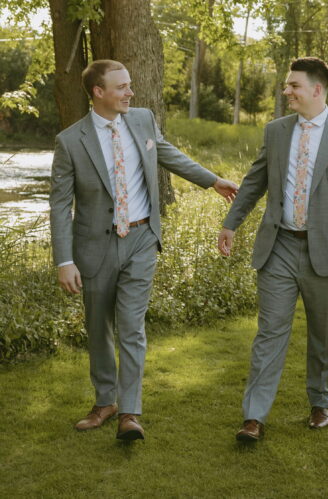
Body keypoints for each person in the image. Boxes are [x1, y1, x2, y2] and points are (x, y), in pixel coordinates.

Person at [50, 59, 237, 441]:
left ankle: (130, 412)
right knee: (98, 326)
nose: (130, 92)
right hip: (93, 246)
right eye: (121, 87)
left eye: (129, 85)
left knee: (131, 326)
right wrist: (64, 260)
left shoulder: (142, 119)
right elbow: (58, 204)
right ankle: (105, 402)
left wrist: (212, 180)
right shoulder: (70, 141)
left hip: (141, 239)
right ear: (98, 92)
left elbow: (167, 153)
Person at [218, 57, 328, 442]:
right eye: (287, 85)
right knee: (270, 332)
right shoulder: (276, 131)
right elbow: (254, 182)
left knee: (325, 332)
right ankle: (254, 416)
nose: (287, 92)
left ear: (317, 90)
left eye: (293, 86)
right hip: (279, 246)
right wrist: (231, 223)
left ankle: (320, 402)